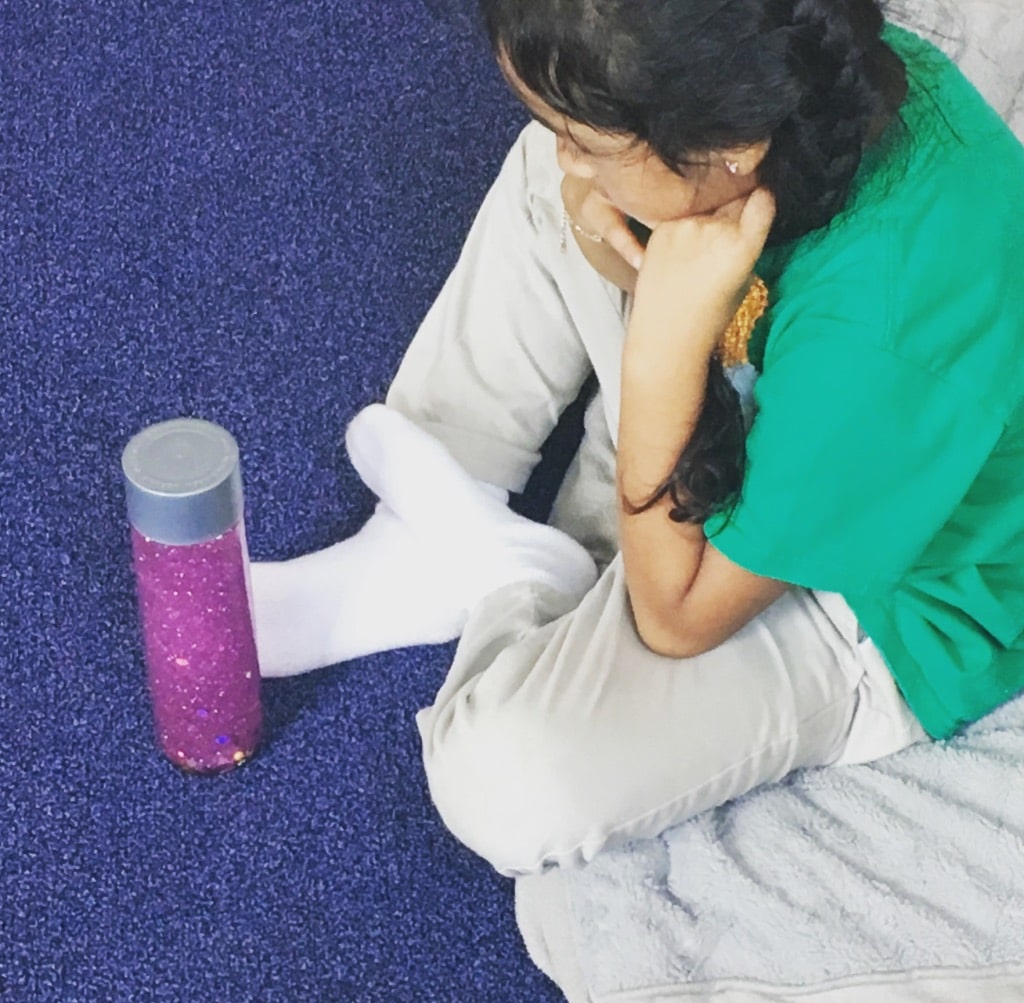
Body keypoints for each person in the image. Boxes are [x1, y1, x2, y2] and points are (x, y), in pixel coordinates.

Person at [251, 0, 1024, 877]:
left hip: (877, 606)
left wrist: (661, 359)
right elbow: (598, 170)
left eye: (583, 139)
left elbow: (680, 616)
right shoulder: (800, 68)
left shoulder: (887, 337)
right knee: (562, 173)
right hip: (778, 389)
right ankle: (437, 507)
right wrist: (594, 207)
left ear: (730, 143)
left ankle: (512, 576)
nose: (562, 153)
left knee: (501, 780)